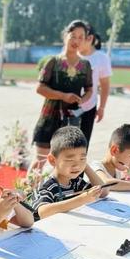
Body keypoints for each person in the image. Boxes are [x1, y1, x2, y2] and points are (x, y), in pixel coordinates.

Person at [32, 20, 93, 169]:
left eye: (81, 37)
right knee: (39, 162)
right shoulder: (53, 62)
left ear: (85, 40)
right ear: (65, 36)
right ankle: (28, 191)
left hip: (71, 121)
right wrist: (63, 96)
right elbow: (39, 88)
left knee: (65, 164)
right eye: (73, 36)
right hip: (49, 119)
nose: (76, 41)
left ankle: (59, 192)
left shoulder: (85, 65)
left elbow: (90, 90)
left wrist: (81, 100)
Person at [33, 126, 108, 220]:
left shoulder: (75, 182)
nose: (77, 166)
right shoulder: (47, 184)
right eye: (70, 160)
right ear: (52, 160)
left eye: (82, 158)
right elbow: (43, 212)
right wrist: (82, 199)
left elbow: (103, 192)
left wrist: (85, 166)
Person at [79, 22, 112, 146]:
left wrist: (102, 107)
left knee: (82, 144)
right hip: (66, 107)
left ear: (90, 38)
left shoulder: (101, 58)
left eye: (80, 37)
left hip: (88, 107)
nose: (76, 41)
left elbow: (105, 85)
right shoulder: (72, 55)